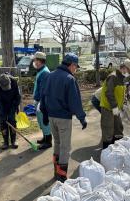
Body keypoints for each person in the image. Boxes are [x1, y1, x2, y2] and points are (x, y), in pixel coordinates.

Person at [41, 53, 87, 182]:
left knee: (57, 143)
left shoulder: (50, 76)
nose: (76, 69)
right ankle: (61, 177)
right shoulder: (69, 79)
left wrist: (44, 114)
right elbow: (75, 101)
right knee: (65, 147)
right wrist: (82, 118)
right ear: (71, 65)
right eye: (76, 67)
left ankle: (56, 171)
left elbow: (44, 96)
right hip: (63, 119)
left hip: (51, 117)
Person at [100, 59, 130, 149]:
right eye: (129, 72)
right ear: (124, 68)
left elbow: (123, 96)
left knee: (118, 128)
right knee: (108, 130)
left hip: (116, 109)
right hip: (108, 108)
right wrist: (114, 106)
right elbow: (109, 93)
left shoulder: (121, 78)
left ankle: (117, 148)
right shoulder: (113, 77)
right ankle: (107, 151)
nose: (128, 74)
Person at [0, 73, 21, 150]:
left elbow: (18, 97)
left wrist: (14, 108)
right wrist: (2, 114)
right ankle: (5, 142)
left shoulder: (14, 82)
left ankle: (13, 141)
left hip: (12, 103)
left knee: (12, 121)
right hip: (2, 105)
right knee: (3, 122)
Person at [33, 52, 52, 150]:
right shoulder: (40, 70)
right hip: (39, 100)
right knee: (41, 120)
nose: (34, 61)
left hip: (42, 101)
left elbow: (44, 90)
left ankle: (48, 141)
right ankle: (45, 138)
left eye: (35, 60)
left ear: (40, 61)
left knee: (45, 121)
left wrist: (40, 102)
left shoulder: (44, 72)